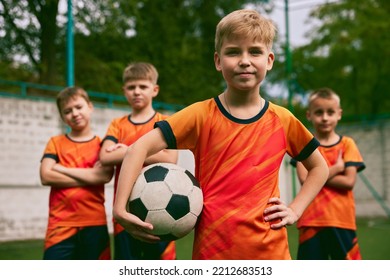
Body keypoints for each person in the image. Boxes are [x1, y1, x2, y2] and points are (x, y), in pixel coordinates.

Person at [113, 9, 328, 260]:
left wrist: (294, 209)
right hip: (212, 252)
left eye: (255, 52)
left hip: (271, 253)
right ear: (218, 60)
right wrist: (119, 209)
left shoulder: (283, 119)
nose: (244, 60)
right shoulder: (200, 115)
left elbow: (319, 168)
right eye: (234, 52)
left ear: (269, 60)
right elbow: (136, 149)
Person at [99, 62, 178, 260]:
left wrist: (127, 150)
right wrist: (149, 153)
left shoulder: (165, 122)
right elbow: (105, 156)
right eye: (131, 87)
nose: (137, 92)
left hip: (161, 209)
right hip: (125, 211)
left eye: (142, 87)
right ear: (124, 91)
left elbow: (170, 158)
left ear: (155, 89)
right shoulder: (117, 125)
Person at [290, 88, 365, 260]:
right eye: (319, 112)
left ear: (339, 114)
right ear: (309, 115)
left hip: (342, 221)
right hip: (311, 222)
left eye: (330, 112)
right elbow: (304, 179)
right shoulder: (304, 144)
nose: (325, 117)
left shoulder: (348, 144)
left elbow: (349, 181)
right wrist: (337, 168)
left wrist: (317, 175)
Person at [39, 86, 114, 260]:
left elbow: (103, 176)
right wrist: (90, 176)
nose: (74, 113)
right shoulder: (55, 143)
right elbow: (45, 176)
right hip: (60, 226)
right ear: (62, 117)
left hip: (94, 223)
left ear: (90, 106)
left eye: (79, 107)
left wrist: (61, 169)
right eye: (67, 111)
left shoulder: (102, 144)